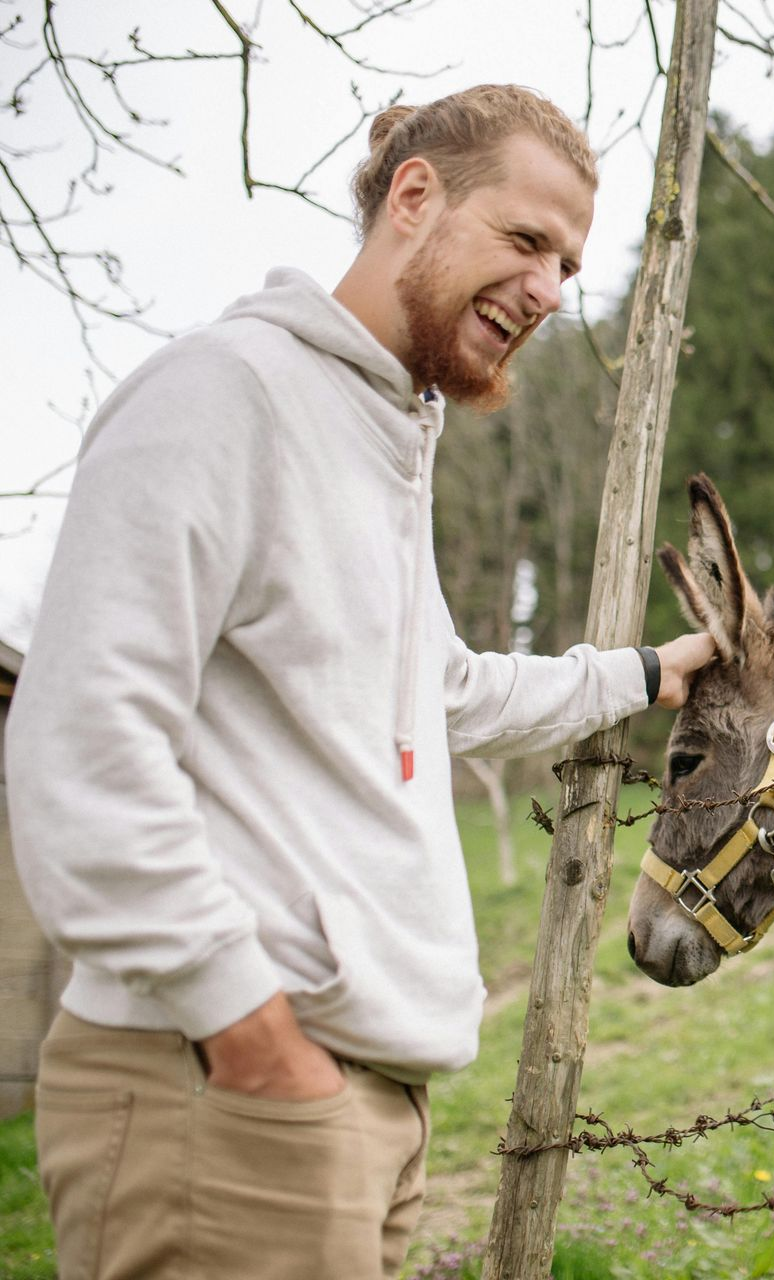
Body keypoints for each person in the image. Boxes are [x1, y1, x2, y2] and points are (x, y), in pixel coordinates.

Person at [6, 84, 715, 1280]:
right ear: (415, 196)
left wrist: (640, 673)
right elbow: (80, 742)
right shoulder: (225, 395)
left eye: (567, 264)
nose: (549, 289)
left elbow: (440, 690)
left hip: (348, 1105)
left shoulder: (381, 430)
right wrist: (250, 1029)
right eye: (527, 241)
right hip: (221, 1095)